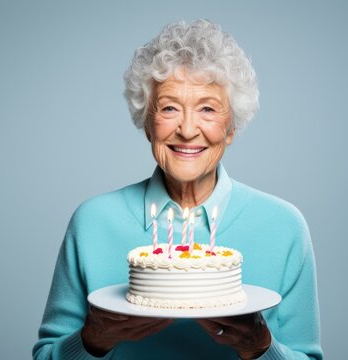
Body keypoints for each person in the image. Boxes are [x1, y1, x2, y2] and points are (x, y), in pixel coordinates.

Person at [33, 19, 323, 360]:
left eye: (208, 109)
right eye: (169, 108)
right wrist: (92, 340)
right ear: (147, 124)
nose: (187, 130)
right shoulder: (93, 222)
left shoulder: (284, 226)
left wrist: (260, 346)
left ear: (231, 128)